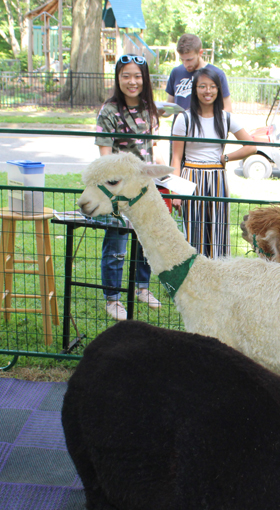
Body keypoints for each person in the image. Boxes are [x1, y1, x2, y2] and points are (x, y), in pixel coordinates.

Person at [95, 54, 165, 321]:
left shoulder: (150, 108)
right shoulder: (109, 110)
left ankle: (142, 288)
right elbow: (104, 158)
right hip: (119, 190)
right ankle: (113, 298)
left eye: (137, 76)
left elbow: (154, 150)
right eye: (126, 76)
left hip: (146, 188)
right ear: (118, 78)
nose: (132, 81)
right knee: (117, 244)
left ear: (144, 79)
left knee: (145, 242)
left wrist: (167, 177)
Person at [170, 67, 256, 258]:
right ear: (195, 89)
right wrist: (175, 191)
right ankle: (192, 278)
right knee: (192, 230)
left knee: (217, 230)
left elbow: (251, 147)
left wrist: (226, 158)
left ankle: (217, 277)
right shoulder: (183, 118)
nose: (207, 91)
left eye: (212, 86)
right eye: (202, 86)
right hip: (190, 177)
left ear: (218, 89)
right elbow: (176, 157)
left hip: (217, 178)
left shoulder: (226, 118)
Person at [166, 34, 232, 111]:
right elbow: (169, 107)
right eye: (182, 60)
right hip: (180, 122)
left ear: (200, 53)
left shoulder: (217, 74)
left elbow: (228, 109)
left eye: (189, 60)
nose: (185, 64)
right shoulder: (176, 72)